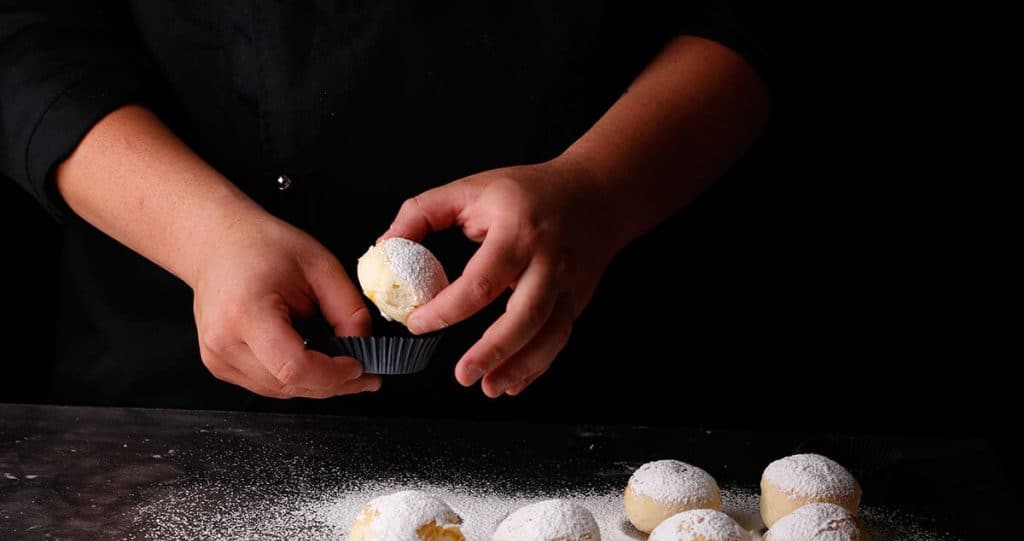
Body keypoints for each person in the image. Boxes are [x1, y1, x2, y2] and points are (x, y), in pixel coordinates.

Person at [1, 3, 778, 418]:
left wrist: (602, 190)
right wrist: (201, 234)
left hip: (603, 369)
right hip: (180, 386)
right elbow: (24, 31)